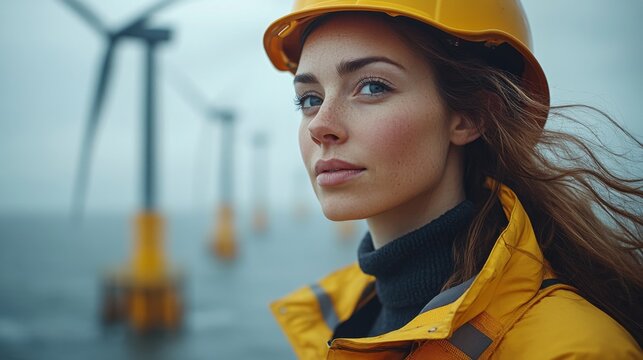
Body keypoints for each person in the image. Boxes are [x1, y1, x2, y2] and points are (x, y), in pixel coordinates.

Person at [262, 1, 642, 358]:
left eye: (373, 87)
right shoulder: (337, 325)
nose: (321, 126)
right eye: (309, 98)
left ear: (470, 116)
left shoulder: (575, 349)